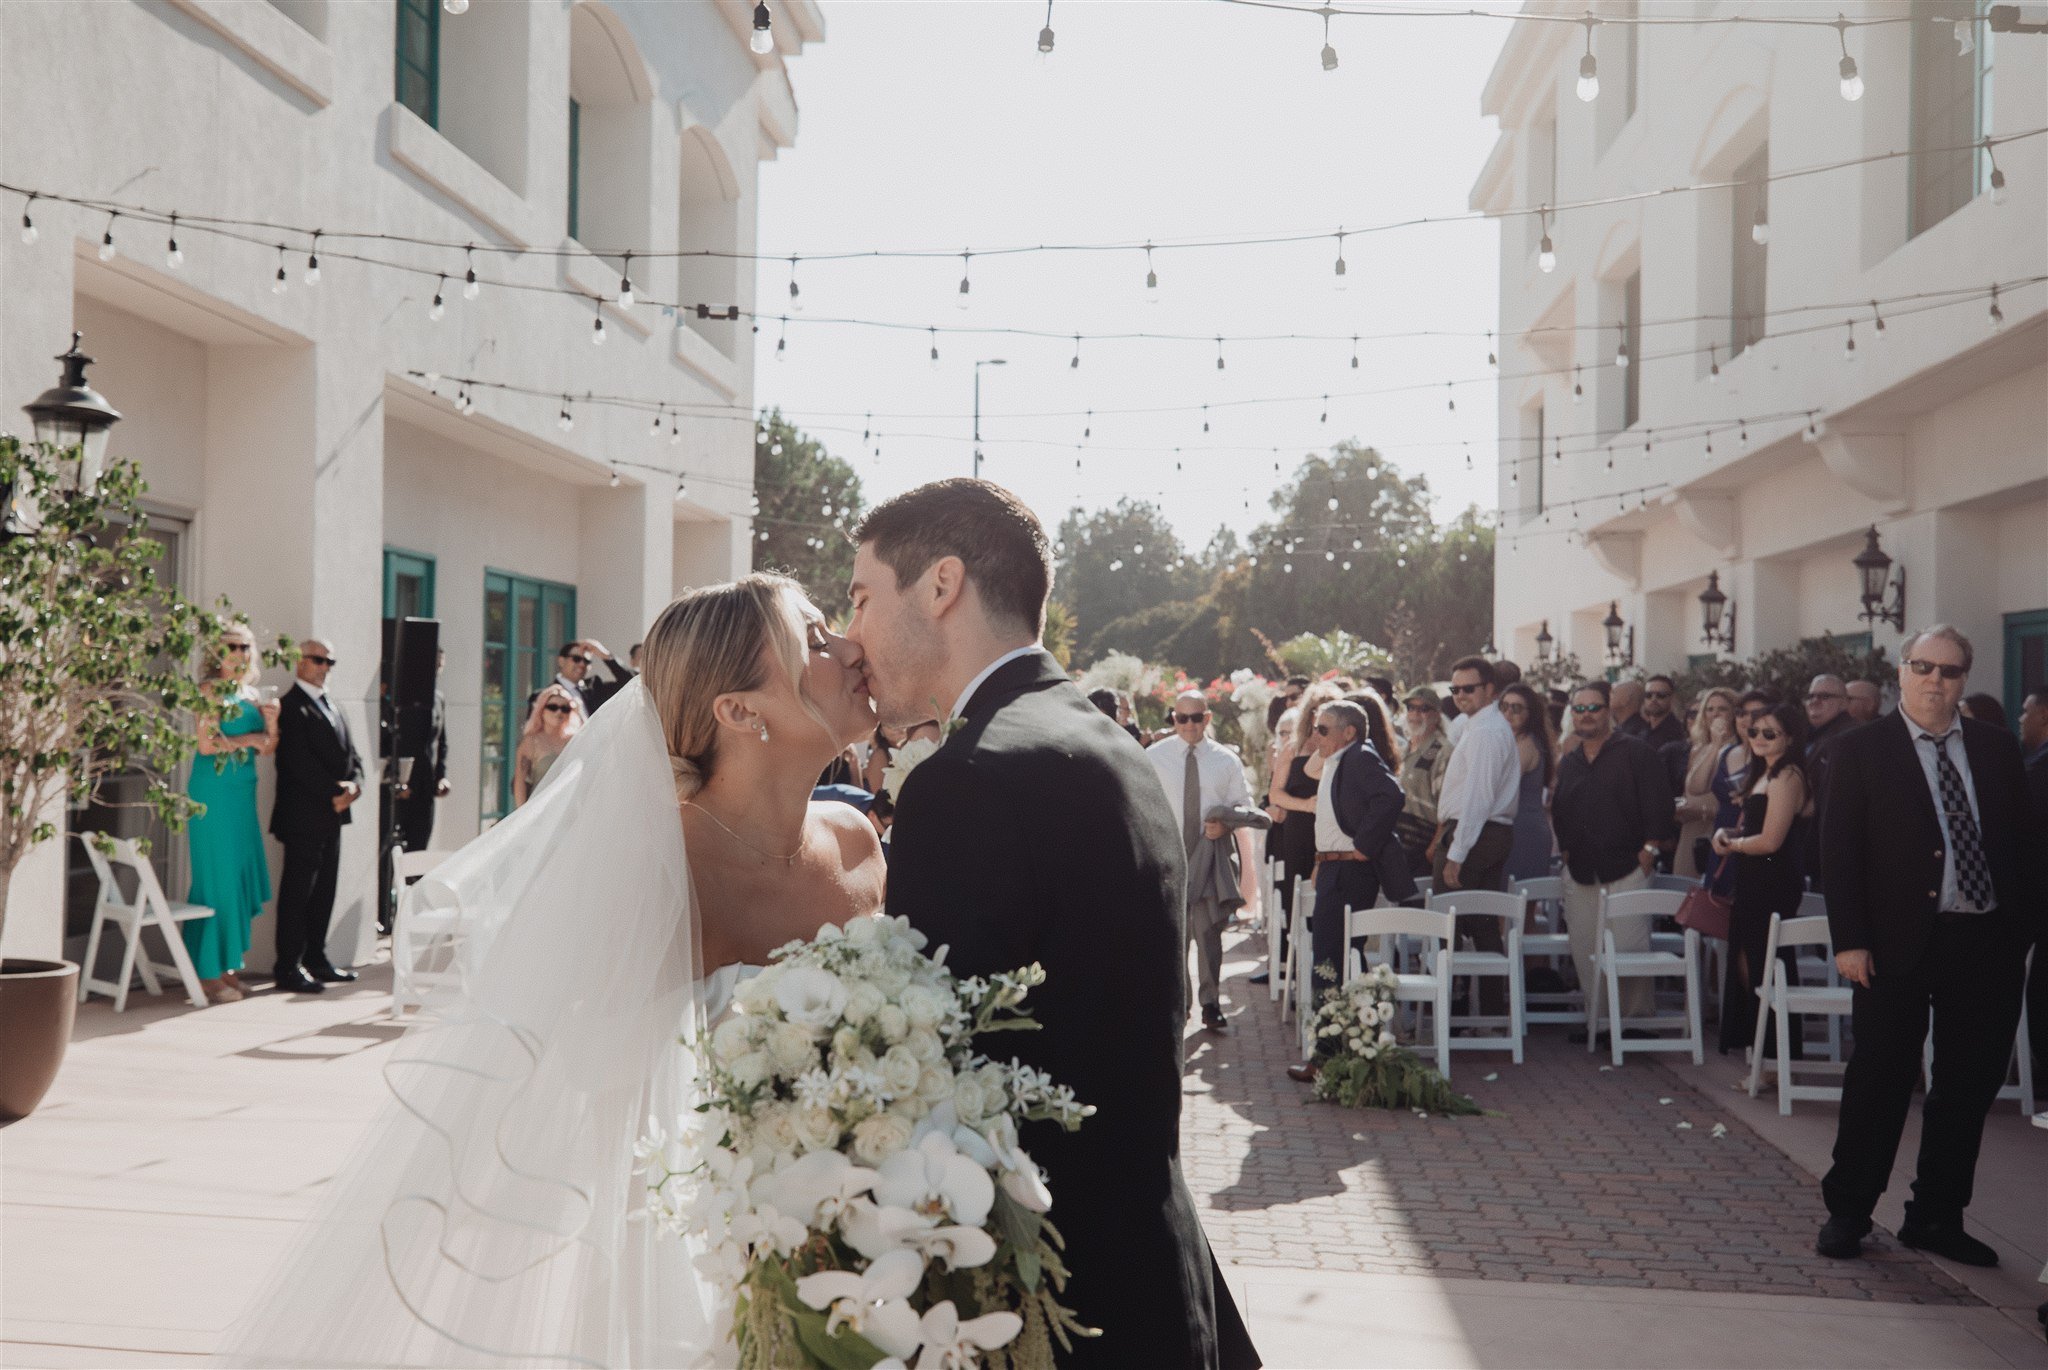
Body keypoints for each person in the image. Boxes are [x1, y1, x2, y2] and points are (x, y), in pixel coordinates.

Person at [222, 574, 887, 1367]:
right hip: (711, 1257)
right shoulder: (650, 868)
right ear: (740, 711)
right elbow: (600, 1114)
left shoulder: (857, 841)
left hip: (876, 1237)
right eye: (813, 641)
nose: (851, 646)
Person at [844, 478, 1258, 1370]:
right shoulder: (1106, 740)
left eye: (862, 597)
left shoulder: (973, 779)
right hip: (1151, 1264)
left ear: (942, 584)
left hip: (1060, 1303)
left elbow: (936, 1080)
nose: (852, 635)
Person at [1815, 625, 2042, 1268]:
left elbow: (2024, 844)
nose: (1934, 681)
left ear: (1964, 678)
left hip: (1986, 942)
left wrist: (2020, 931)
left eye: (1948, 671)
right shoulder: (1862, 750)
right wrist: (1851, 940)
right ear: (1901, 672)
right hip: (1893, 946)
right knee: (1880, 1079)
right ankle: (1850, 1211)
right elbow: (1839, 852)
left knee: (1966, 1086)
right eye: (1923, 667)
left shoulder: (1997, 750)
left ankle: (1936, 1215)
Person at [1286, 698, 1416, 1082]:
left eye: (1323, 729)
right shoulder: (1337, 759)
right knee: (1332, 959)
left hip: (1348, 870)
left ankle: (1325, 1055)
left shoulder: (1358, 756)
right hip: (1333, 867)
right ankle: (1337, 1048)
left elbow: (1392, 796)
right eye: (1315, 727)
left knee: (1329, 960)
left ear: (1349, 732)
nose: (1315, 735)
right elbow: (1315, 783)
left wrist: (1364, 844)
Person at [1550, 680, 1675, 1039]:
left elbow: (1660, 805)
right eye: (1580, 709)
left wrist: (1648, 852)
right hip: (1582, 869)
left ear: (1609, 712)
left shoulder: (1636, 752)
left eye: (1594, 708)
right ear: (1572, 715)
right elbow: (1561, 810)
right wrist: (1567, 853)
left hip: (1629, 867)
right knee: (1586, 948)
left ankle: (1634, 1023)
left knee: (1628, 946)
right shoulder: (1571, 760)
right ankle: (1599, 1024)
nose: (1586, 715)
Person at [1147, 689, 1259, 1034]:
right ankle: (1180, 1005)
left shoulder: (1225, 760)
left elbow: (1245, 805)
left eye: (1196, 718)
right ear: (1173, 718)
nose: (1189, 725)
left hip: (1210, 859)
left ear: (1207, 718)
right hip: (1169, 858)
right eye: (1182, 718)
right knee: (1174, 936)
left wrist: (1226, 823)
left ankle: (1211, 1004)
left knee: (1209, 933)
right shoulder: (1154, 756)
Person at [183, 626, 279, 1004]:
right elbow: (206, 746)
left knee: (236, 878)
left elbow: (268, 749)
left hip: (243, 794)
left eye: (245, 646)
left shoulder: (254, 695)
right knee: (216, 879)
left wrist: (271, 724)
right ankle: (206, 974)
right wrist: (253, 739)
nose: (239, 652)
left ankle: (225, 968)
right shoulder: (209, 691)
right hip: (213, 794)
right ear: (217, 653)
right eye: (231, 647)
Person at [1711, 699, 1810, 1061]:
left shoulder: (1788, 776)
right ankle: (1762, 1055)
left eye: (1770, 733)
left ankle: (1775, 1060)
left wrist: (1731, 844)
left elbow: (1771, 840)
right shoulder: (1764, 773)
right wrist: (1730, 836)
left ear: (1789, 737)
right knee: (1748, 966)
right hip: (1752, 880)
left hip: (1772, 882)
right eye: (1754, 731)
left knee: (1766, 968)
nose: (1759, 738)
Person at [266, 640, 365, 994]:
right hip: (303, 815)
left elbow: (353, 756)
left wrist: (355, 787)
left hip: (334, 814)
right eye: (318, 659)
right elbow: (296, 762)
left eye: (330, 661)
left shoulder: (335, 705)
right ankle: (288, 966)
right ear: (299, 662)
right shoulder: (291, 706)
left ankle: (316, 959)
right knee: (297, 892)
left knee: (325, 889)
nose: (325, 667)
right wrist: (332, 792)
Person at [1265, 681, 1343, 977]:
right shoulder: (1293, 748)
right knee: (1298, 899)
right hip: (1299, 831)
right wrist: (1306, 805)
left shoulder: (1342, 751)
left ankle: (1324, 973)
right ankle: (1299, 973)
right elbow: (1276, 795)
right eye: (1316, 711)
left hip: (1333, 833)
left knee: (1326, 901)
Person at [1431, 655, 1520, 897]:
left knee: (1447, 923)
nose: (1460, 695)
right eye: (1455, 689)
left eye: (1469, 689)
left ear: (1490, 689)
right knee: (1480, 925)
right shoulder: (1480, 725)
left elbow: (1479, 797)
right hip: (1481, 834)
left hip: (1477, 835)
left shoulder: (1486, 731)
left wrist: (1458, 853)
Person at [1675, 688, 1741, 878]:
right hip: (1691, 831)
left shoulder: (1739, 749)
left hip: (1718, 830)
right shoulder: (1698, 749)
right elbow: (1694, 788)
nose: (1715, 714)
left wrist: (1718, 745)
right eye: (1709, 709)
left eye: (1722, 709)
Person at [1498, 683, 1556, 883]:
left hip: (1524, 832)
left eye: (1516, 708)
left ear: (1531, 714)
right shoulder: (1513, 741)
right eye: (1503, 706)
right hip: (1517, 829)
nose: (1508, 713)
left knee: (1513, 905)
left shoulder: (1526, 744)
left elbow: (1500, 784)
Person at [392, 647, 449, 853]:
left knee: (420, 846)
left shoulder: (439, 698)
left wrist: (441, 777)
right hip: (402, 787)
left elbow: (441, 743)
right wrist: (398, 780)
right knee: (396, 849)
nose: (436, 671)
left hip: (427, 786)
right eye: (434, 665)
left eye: (440, 666)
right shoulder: (401, 694)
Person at [1395, 687, 1454, 876]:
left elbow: (1448, 806)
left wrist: (1433, 848)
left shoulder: (1442, 752)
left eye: (1423, 709)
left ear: (1436, 715)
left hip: (1423, 846)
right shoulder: (1405, 748)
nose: (1415, 714)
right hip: (1400, 846)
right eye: (1411, 707)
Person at [511, 684, 581, 807]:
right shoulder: (531, 742)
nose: (559, 712)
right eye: (553, 707)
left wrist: (577, 710)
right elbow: (520, 782)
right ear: (541, 710)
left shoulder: (574, 741)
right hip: (540, 811)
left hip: (570, 810)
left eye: (565, 708)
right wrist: (522, 814)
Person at [528, 638, 635, 718]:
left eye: (587, 661)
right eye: (576, 659)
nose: (581, 664)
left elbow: (631, 681)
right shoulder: (542, 696)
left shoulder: (595, 689)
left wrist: (605, 655)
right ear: (561, 661)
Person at [1623, 674, 1686, 752]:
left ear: (1671, 699)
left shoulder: (1678, 732)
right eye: (1648, 695)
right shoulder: (1641, 731)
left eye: (1660, 695)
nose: (1653, 699)